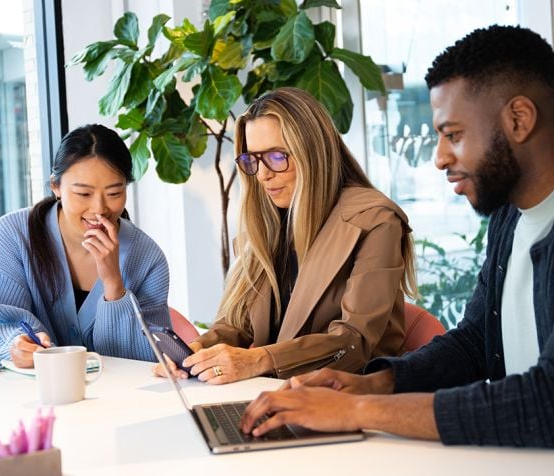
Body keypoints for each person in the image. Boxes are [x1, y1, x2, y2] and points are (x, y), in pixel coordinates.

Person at [240, 25, 554, 446]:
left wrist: (357, 409)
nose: (440, 158)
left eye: (453, 134)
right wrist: (371, 383)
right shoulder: (511, 214)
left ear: (519, 119)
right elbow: (475, 341)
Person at [155, 87, 417, 384]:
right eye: (253, 159)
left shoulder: (375, 219)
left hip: (352, 397)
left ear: (313, 153)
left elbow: (353, 342)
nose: (263, 174)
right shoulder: (271, 219)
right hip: (278, 395)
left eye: (277, 156)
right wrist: (197, 351)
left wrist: (259, 359)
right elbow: (237, 324)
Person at [0, 124, 171, 367]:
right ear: (55, 186)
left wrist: (113, 284)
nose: (99, 209)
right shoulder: (13, 235)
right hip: (34, 394)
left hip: (118, 397)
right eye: (84, 194)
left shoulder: (148, 258)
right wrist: (16, 344)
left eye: (113, 193)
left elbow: (146, 358)